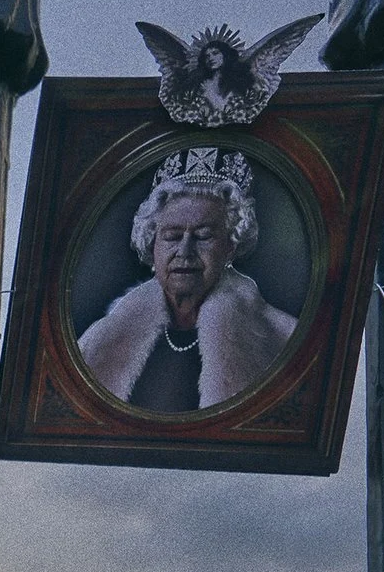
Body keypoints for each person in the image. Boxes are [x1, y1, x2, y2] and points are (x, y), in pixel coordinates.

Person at [77, 146, 297, 413]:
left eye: (203, 236)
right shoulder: (96, 342)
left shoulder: (284, 340)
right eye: (171, 235)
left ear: (231, 245)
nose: (185, 251)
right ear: (152, 243)